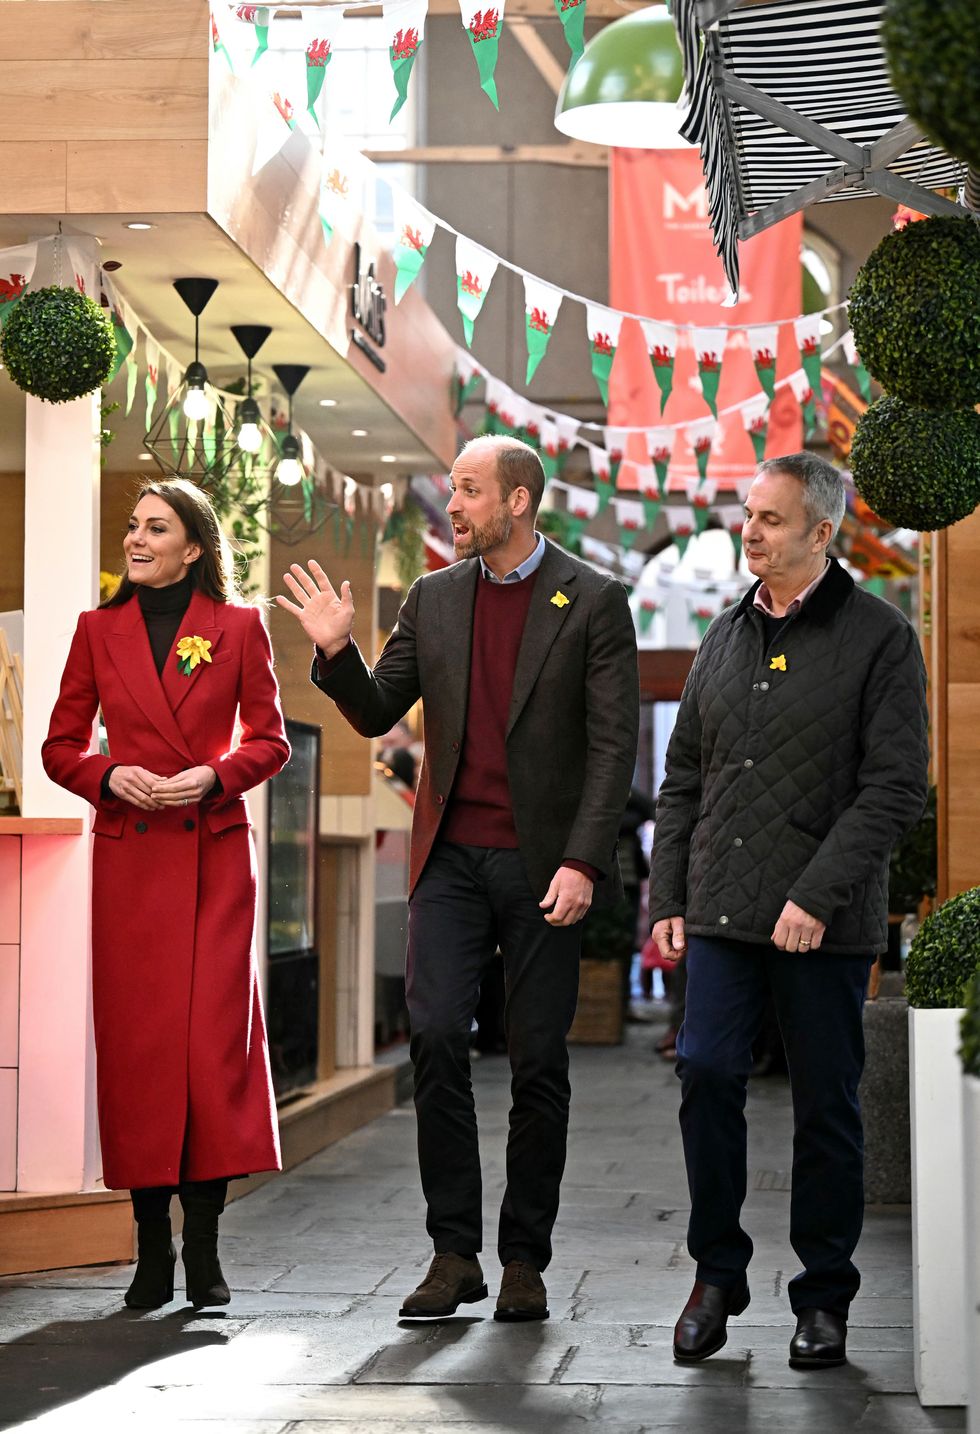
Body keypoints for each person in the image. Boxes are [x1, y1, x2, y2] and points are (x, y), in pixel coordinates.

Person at [277, 435, 639, 1322]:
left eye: (470, 491)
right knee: (437, 1036)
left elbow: (611, 746)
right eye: (454, 488)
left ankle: (524, 1258)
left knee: (538, 1060)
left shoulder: (594, 601)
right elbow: (373, 711)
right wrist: (336, 653)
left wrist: (586, 859)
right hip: (449, 858)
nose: (456, 504)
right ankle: (455, 1252)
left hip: (545, 864)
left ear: (519, 502)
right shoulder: (435, 599)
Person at [648, 453, 928, 1371]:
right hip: (724, 916)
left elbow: (894, 788)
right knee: (707, 1074)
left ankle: (824, 1296)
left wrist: (817, 892)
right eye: (747, 515)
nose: (750, 531)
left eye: (769, 518)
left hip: (825, 922)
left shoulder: (881, 637)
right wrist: (668, 897)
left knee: (828, 1108)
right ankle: (717, 1275)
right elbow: (684, 777)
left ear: (820, 531)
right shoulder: (723, 637)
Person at [43, 479, 289, 1312]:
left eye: (156, 528)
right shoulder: (95, 630)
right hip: (131, 866)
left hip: (215, 860)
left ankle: (207, 1251)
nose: (135, 539)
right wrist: (111, 775)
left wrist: (213, 777)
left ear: (194, 546)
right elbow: (59, 745)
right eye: (131, 527)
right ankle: (152, 1251)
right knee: (144, 1056)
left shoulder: (239, 628)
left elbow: (271, 739)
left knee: (210, 1053)